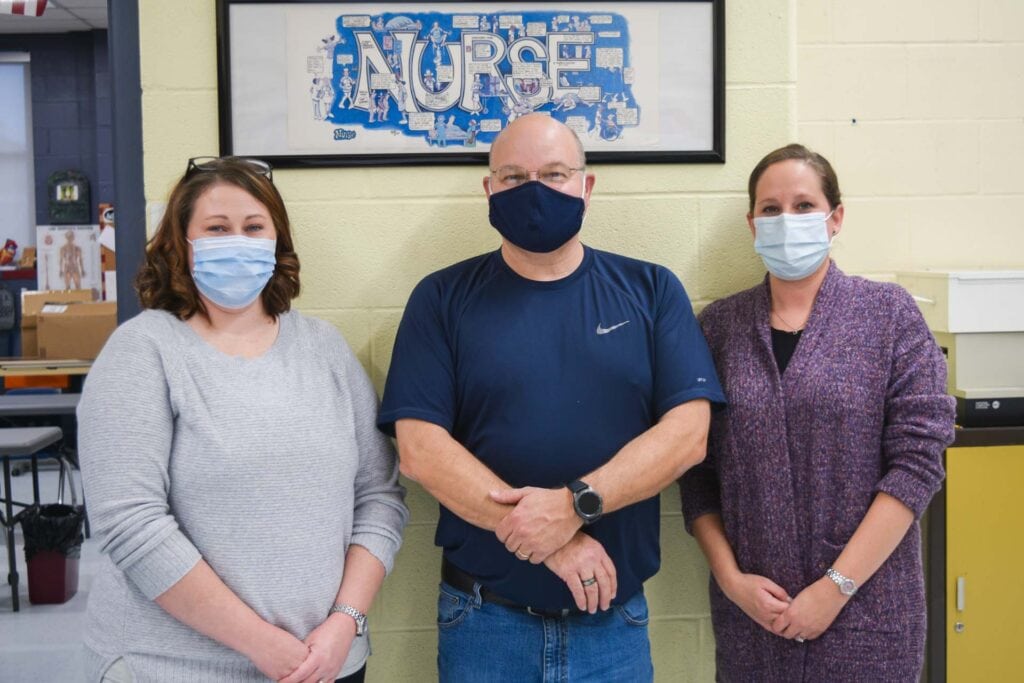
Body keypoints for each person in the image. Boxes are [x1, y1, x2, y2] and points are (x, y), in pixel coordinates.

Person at [378, 114, 725, 680]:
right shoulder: (441, 298)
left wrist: (574, 506)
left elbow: (688, 436)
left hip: (612, 625)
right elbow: (420, 450)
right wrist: (552, 542)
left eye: (555, 174)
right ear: (489, 190)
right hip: (484, 622)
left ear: (586, 186)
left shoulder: (652, 290)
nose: (534, 191)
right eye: (514, 177)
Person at [77, 156, 408, 683]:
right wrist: (260, 644)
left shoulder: (324, 348)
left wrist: (345, 622)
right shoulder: (143, 351)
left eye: (254, 227)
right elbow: (131, 524)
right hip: (174, 667)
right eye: (216, 228)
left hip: (329, 661)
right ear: (181, 244)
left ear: (277, 243)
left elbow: (380, 496)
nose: (238, 241)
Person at [679, 143, 955, 681]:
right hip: (754, 621)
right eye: (771, 208)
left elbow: (917, 465)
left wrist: (835, 588)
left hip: (869, 615)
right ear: (753, 225)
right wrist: (732, 581)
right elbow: (697, 474)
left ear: (836, 218)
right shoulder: (720, 328)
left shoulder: (888, 316)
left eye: (804, 205)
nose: (787, 220)